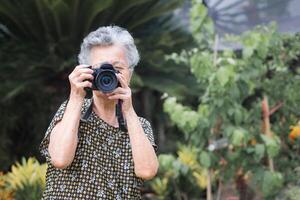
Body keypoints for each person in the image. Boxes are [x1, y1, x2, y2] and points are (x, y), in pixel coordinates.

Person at [39, 26, 159, 200]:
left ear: (130, 74)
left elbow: (147, 171)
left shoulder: (139, 126)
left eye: (116, 69)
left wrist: (128, 111)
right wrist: (76, 97)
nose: (108, 76)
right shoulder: (70, 111)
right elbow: (59, 159)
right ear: (86, 71)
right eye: (100, 69)